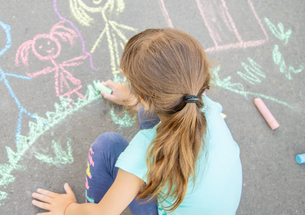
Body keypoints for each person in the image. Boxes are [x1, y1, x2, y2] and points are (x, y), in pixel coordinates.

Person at [31, 28, 243, 214]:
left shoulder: (145, 150)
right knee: (146, 115)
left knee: (108, 146)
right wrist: (136, 100)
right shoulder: (202, 104)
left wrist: (68, 209)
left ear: (148, 99)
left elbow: (103, 213)